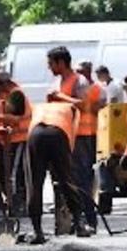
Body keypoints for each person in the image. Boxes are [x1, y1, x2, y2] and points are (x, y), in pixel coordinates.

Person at [47, 50, 104, 232]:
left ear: (61, 63)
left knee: (82, 179)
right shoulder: (58, 82)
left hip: (82, 135)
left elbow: (84, 105)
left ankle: (89, 220)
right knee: (69, 179)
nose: (49, 68)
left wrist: (60, 97)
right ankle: (76, 220)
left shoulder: (79, 81)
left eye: (51, 64)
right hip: (66, 135)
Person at [25, 101, 89, 243]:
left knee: (35, 183)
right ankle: (79, 225)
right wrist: (64, 166)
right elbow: (71, 138)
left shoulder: (39, 106)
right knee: (66, 181)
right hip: (58, 134)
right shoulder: (72, 109)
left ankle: (37, 232)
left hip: (36, 134)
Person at [0, 71, 32, 216]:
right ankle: (12, 203)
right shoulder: (4, 95)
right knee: (9, 173)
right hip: (9, 140)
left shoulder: (16, 94)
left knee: (17, 173)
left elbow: (13, 117)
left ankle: (18, 205)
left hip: (20, 138)